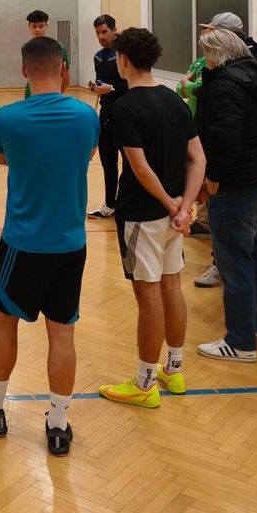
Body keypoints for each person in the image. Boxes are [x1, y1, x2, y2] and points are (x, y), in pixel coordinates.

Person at [0, 36, 99, 457]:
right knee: (62, 332)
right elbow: (88, 154)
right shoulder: (86, 116)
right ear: (64, 70)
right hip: (70, 244)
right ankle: (58, 425)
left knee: (3, 322)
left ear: (24, 72)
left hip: (22, 245)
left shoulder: (7, 118)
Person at [97, 29, 204, 409]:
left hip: (141, 215)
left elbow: (140, 168)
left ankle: (144, 382)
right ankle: (173, 370)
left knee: (148, 295)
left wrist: (171, 204)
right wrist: (184, 207)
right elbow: (199, 158)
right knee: (171, 285)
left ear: (124, 59)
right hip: (173, 218)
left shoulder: (125, 107)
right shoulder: (175, 100)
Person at [193, 28, 257, 363]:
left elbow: (224, 138)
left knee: (236, 264)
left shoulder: (223, 85)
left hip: (238, 187)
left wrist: (214, 176)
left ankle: (241, 342)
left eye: (206, 55)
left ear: (215, 55)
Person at [87, 15, 129, 219]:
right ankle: (110, 204)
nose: (101, 36)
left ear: (114, 30)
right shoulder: (98, 57)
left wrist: (112, 88)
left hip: (125, 114)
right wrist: (96, 86)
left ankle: (127, 202)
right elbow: (102, 82)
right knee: (108, 161)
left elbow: (131, 83)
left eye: (104, 32)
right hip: (105, 114)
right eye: (97, 33)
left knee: (129, 162)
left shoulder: (124, 54)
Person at [24, 10, 70, 94]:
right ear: (29, 26)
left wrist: (57, 95)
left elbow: (66, 78)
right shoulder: (25, 48)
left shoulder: (58, 48)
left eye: (41, 26)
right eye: (34, 26)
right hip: (30, 94)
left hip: (50, 93)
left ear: (46, 26)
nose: (37, 30)